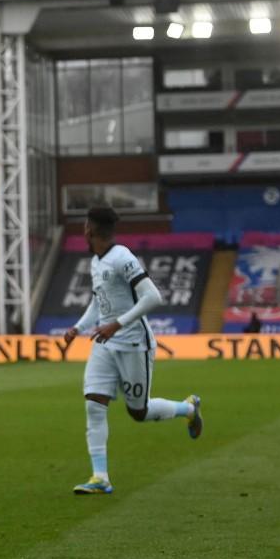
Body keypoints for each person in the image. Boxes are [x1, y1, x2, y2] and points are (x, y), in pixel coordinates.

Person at [63, 206, 203, 496]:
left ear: (90, 229)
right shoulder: (96, 262)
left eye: (85, 225)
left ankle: (188, 409)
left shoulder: (122, 257)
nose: (83, 230)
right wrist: (78, 327)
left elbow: (153, 296)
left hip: (133, 343)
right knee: (93, 404)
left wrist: (117, 324)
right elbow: (97, 301)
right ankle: (100, 477)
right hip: (105, 343)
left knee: (138, 412)